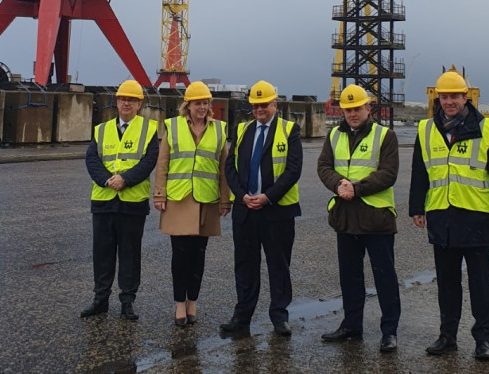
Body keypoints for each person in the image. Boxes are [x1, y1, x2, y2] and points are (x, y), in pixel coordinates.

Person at [408, 67, 489, 361]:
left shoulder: (486, 129)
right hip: (442, 216)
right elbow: (420, 172)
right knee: (447, 283)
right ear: (437, 98)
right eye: (444, 96)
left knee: (480, 283)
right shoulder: (426, 130)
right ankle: (448, 337)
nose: (449, 101)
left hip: (476, 216)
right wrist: (417, 207)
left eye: (454, 96)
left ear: (466, 97)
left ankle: (483, 340)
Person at [316, 84, 401, 353]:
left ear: (368, 108)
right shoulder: (334, 136)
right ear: (342, 110)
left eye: (357, 108)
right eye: (348, 109)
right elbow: (323, 167)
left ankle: (389, 332)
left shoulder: (385, 136)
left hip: (376, 220)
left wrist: (356, 188)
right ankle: (352, 326)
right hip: (346, 218)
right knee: (350, 277)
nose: (353, 114)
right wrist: (338, 183)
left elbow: (388, 173)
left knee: (384, 277)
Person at [220, 80, 302, 337]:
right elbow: (230, 167)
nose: (259, 109)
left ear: (274, 105)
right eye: (255, 105)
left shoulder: (289, 130)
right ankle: (242, 316)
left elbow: (293, 170)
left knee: (279, 266)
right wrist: (242, 195)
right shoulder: (243, 130)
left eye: (264, 105)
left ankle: (279, 316)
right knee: (245, 266)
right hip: (246, 210)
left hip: (276, 212)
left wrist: (268, 197)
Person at [153, 81, 232, 327]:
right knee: (180, 254)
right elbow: (163, 163)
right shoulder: (172, 127)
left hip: (206, 201)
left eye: (206, 103)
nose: (202, 107)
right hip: (178, 199)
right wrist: (159, 194)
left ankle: (192, 302)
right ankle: (179, 304)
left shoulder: (219, 130)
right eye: (198, 103)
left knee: (199, 255)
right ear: (187, 105)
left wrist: (225, 199)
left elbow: (223, 170)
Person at [81, 79, 159, 321]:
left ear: (139, 104)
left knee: (130, 254)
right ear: (116, 102)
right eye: (123, 99)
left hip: (132, 202)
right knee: (102, 253)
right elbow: (92, 159)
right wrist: (107, 180)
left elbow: (148, 161)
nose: (127, 103)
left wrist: (125, 179)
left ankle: (127, 301)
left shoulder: (149, 129)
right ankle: (100, 299)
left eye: (132, 100)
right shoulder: (101, 130)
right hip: (104, 201)